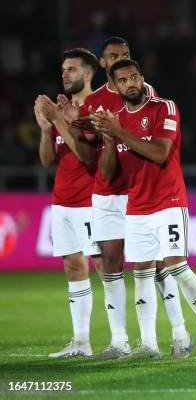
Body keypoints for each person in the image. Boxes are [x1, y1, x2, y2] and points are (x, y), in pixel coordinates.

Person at [92, 59, 196, 359]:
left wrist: (120, 132)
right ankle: (149, 343)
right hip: (136, 207)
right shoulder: (117, 120)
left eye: (134, 76)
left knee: (177, 266)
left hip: (169, 202)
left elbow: (161, 153)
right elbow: (109, 173)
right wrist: (110, 139)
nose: (131, 83)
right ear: (116, 86)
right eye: (123, 80)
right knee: (141, 273)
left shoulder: (165, 108)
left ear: (142, 77)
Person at [77, 36, 189, 359]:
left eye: (125, 56)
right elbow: (88, 145)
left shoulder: (146, 94)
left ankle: (179, 333)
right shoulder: (94, 101)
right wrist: (77, 125)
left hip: (138, 191)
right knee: (111, 263)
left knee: (155, 265)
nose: (119, 60)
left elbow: (153, 142)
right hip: (106, 192)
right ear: (104, 67)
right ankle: (118, 340)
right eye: (113, 57)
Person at [34, 48, 101, 357]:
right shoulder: (64, 109)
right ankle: (81, 342)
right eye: (63, 69)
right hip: (62, 201)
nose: (65, 74)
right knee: (74, 268)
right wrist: (47, 131)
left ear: (88, 74)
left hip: (92, 201)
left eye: (72, 69)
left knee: (104, 268)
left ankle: (122, 339)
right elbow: (48, 161)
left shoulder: (97, 109)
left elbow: (88, 159)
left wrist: (59, 121)